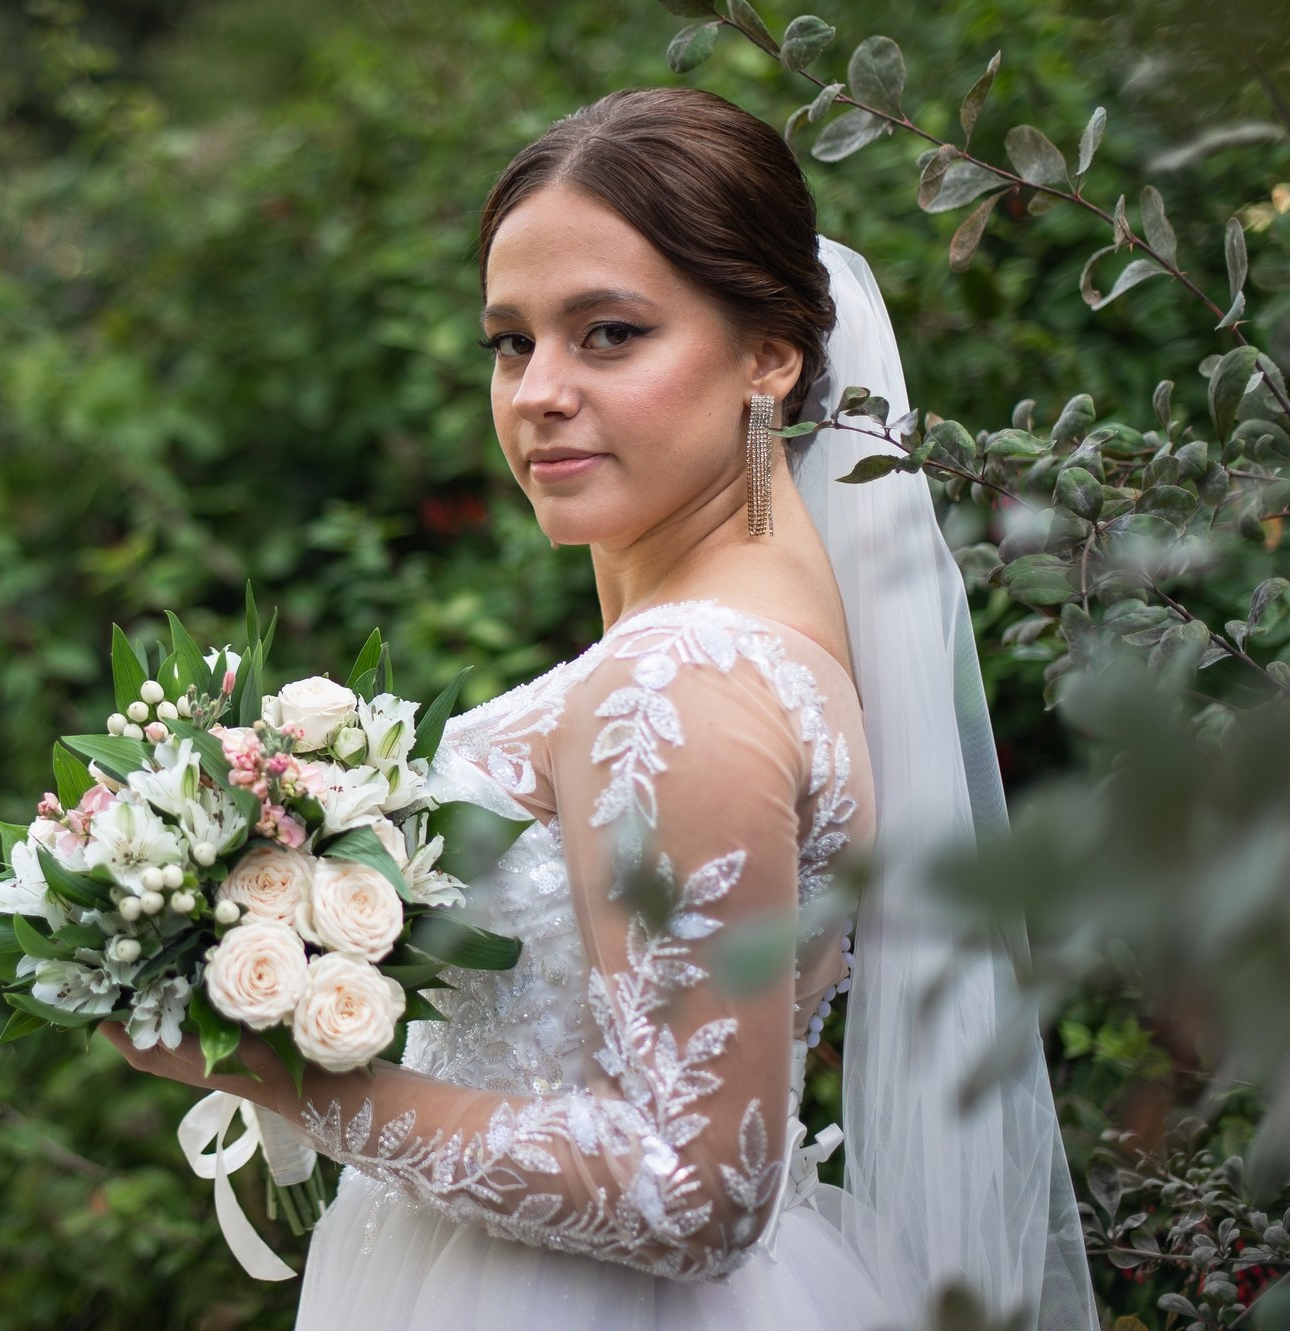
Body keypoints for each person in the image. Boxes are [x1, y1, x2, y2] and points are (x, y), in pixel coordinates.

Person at [102, 86, 1098, 1331]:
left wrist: (280, 1071)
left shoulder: (684, 678)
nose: (536, 390)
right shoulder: (746, 627)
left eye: (609, 333)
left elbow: (695, 1192)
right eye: (509, 341)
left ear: (769, 355)